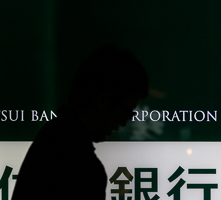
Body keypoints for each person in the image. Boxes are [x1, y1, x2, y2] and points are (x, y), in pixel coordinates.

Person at [12, 45, 149, 200]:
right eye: (127, 111)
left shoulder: (52, 138)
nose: (125, 122)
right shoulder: (82, 167)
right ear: (103, 101)